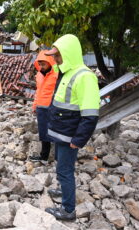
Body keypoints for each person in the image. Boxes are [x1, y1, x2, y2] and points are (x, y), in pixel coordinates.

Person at [44, 34, 100, 221]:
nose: (55, 60)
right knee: (61, 165)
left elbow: (90, 115)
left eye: (58, 56)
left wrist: (79, 140)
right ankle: (62, 191)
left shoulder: (85, 77)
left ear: (68, 54)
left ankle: (68, 210)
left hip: (69, 136)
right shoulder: (67, 72)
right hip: (61, 133)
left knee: (64, 171)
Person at [29, 50, 58, 162]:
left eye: (43, 64)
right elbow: (38, 91)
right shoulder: (39, 75)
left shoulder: (56, 75)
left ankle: (58, 158)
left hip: (53, 107)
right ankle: (44, 157)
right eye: (40, 64)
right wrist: (35, 106)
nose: (41, 66)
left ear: (50, 62)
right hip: (41, 107)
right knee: (43, 133)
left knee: (55, 132)